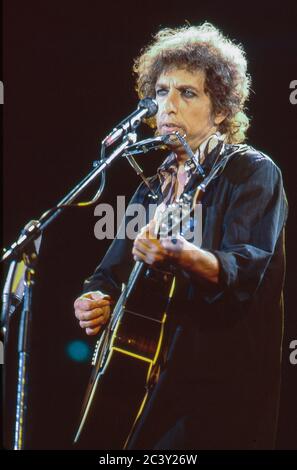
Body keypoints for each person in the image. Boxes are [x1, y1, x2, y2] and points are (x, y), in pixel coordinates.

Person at [73, 23, 288, 449]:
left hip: (217, 400)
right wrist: (94, 301)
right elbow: (108, 275)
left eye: (187, 93)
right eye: (160, 92)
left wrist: (180, 253)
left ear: (221, 109)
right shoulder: (151, 187)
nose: (167, 105)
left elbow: (245, 268)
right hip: (146, 393)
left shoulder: (251, 172)